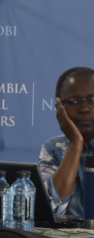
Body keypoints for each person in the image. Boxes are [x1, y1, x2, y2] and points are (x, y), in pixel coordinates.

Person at [38, 67, 94, 218]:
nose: (84, 108)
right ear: (59, 107)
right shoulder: (53, 148)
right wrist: (75, 144)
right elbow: (49, 212)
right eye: (74, 101)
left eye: (92, 100)